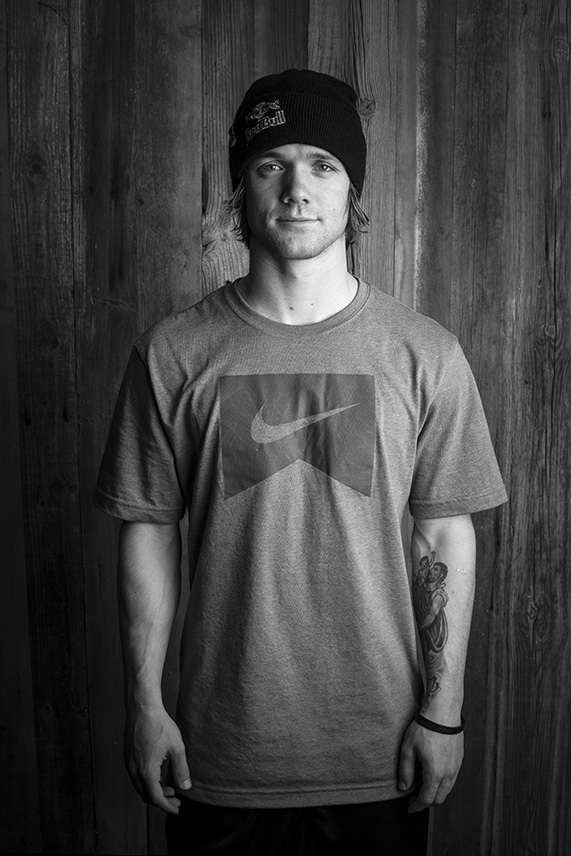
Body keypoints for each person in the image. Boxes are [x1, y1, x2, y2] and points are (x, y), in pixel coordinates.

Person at [94, 69, 508, 855]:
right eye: (269, 164)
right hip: (219, 758)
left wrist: (443, 712)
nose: (296, 188)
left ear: (352, 190)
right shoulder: (173, 353)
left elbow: (443, 535)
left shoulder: (424, 354)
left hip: (381, 756)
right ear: (240, 191)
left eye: (322, 164)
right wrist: (144, 705)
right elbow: (147, 529)